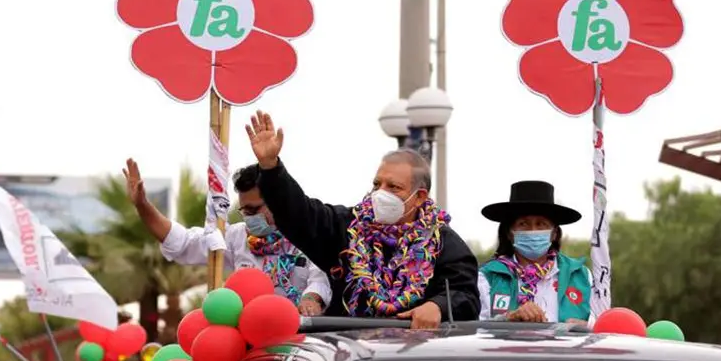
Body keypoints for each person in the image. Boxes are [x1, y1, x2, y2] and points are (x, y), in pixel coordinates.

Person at [245, 111, 480, 328]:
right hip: (347, 357)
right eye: (377, 184)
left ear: (418, 197)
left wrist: (437, 306)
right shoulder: (347, 227)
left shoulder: (443, 243)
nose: (381, 193)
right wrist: (270, 168)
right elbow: (299, 214)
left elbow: (465, 295)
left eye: (394, 187)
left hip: (414, 360)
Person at [124, 158, 332, 315]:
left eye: (255, 209)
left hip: (299, 346)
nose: (249, 217)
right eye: (245, 211)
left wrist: (310, 300)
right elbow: (182, 242)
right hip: (251, 347)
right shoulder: (235, 237)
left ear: (278, 202)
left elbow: (320, 279)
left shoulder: (307, 233)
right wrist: (142, 205)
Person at [477, 180, 594, 323]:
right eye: (523, 224)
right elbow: (477, 327)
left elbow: (600, 323)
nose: (532, 231)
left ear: (554, 233)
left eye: (541, 224)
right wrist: (508, 318)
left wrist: (587, 326)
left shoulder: (581, 276)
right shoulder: (488, 276)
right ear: (509, 233)